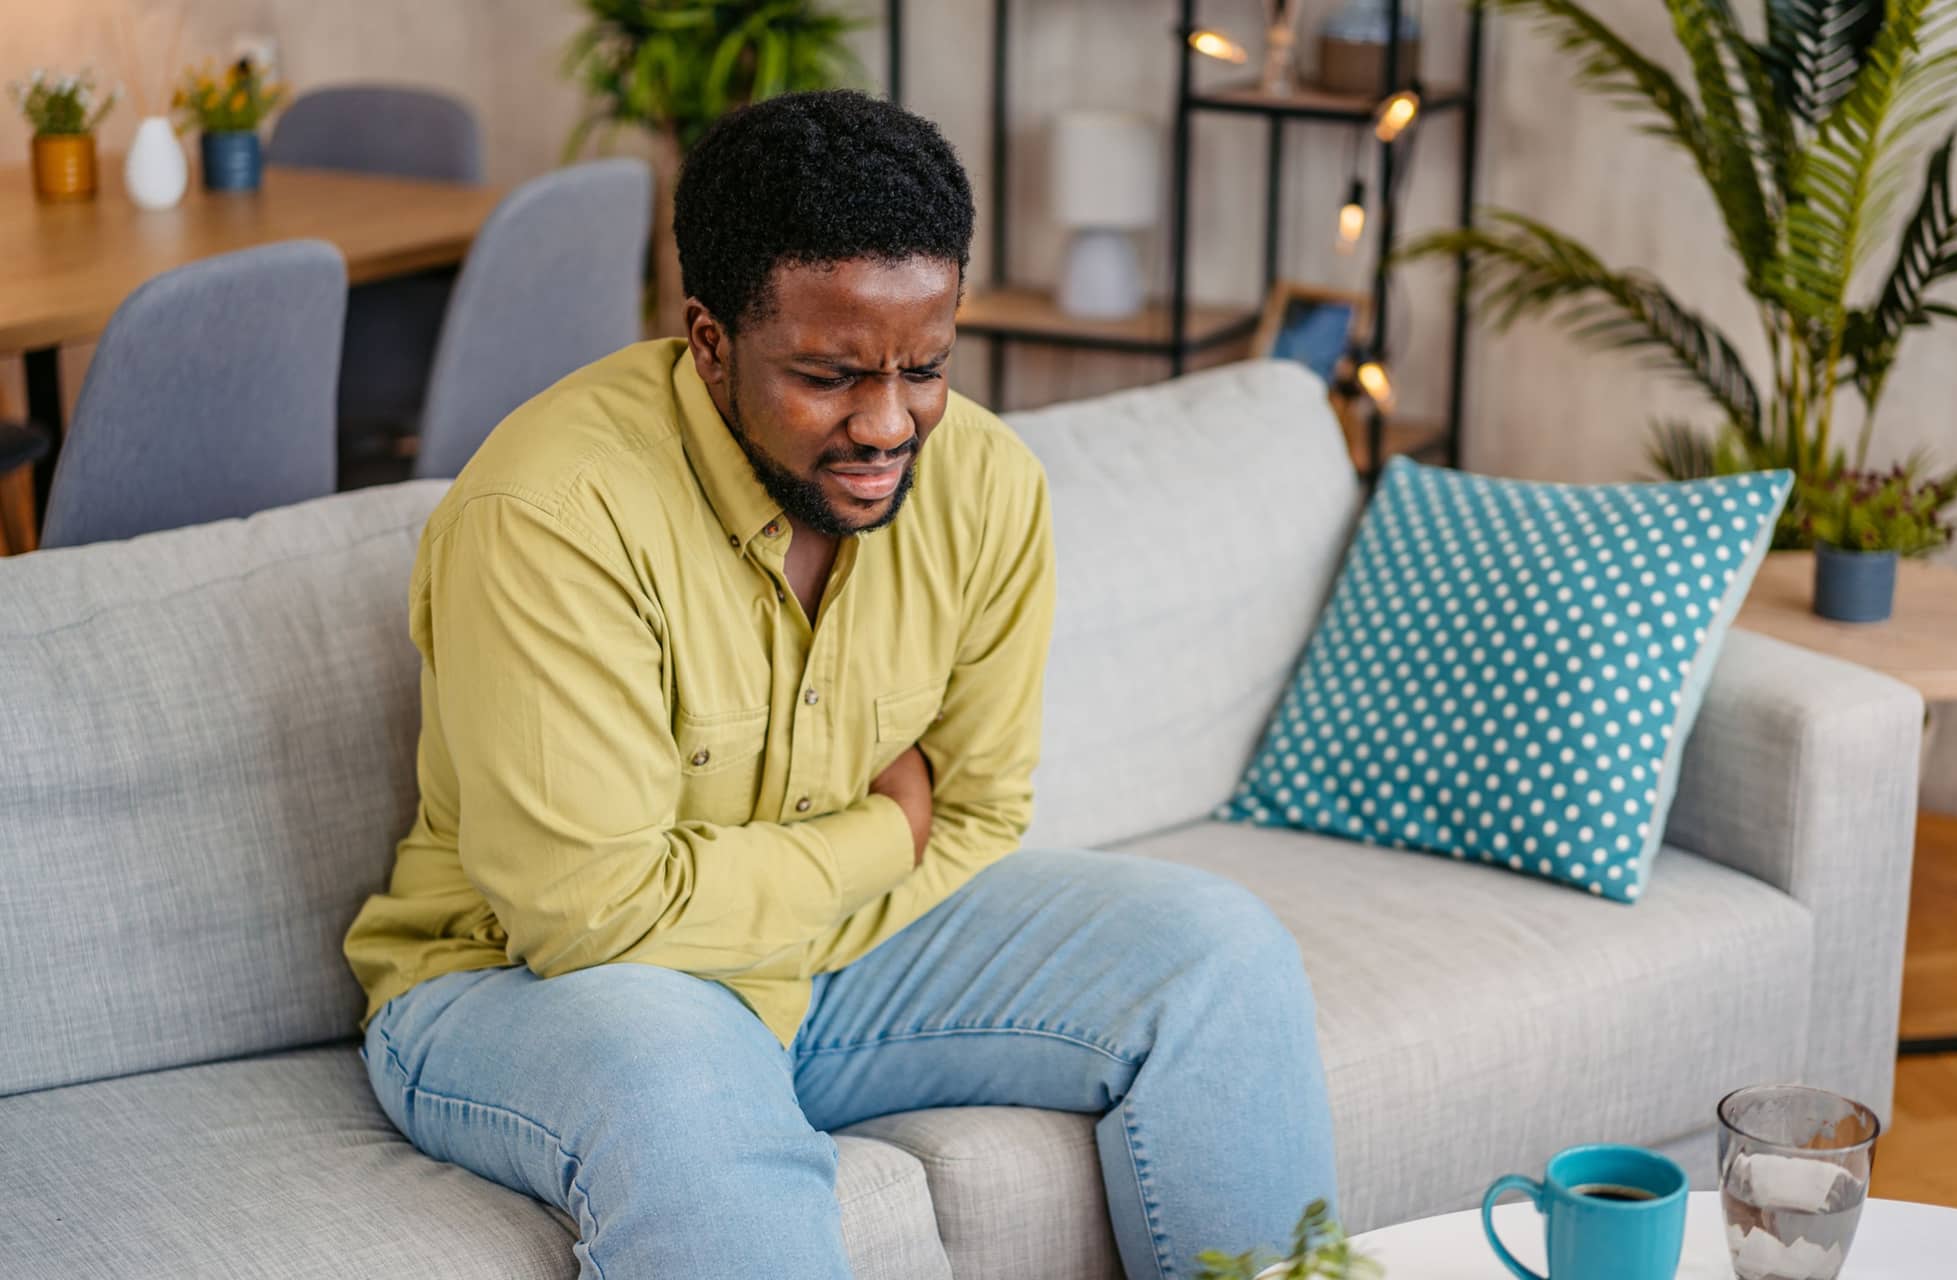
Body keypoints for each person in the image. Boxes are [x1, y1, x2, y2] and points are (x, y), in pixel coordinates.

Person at [343, 89, 1336, 1279]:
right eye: (827, 375)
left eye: (924, 365)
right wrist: (881, 831)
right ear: (709, 341)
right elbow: (586, 911)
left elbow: (978, 812)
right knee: (690, 1074)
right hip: (520, 985)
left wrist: (823, 898)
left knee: (1217, 950)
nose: (886, 423)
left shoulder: (987, 489)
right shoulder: (552, 517)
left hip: (827, 958)